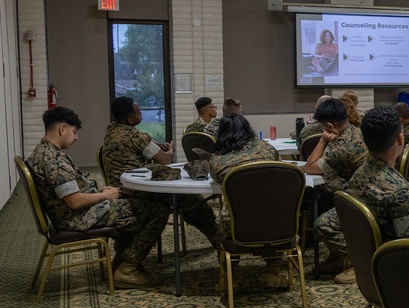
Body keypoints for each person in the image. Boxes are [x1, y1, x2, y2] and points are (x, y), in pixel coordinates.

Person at [27, 106, 168, 287]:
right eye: (74, 131)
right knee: (157, 211)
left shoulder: (41, 153)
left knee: (134, 204)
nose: (76, 137)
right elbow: (75, 201)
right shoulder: (54, 160)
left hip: (69, 214)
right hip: (78, 217)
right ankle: (128, 269)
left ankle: (121, 262)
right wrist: (105, 196)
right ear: (62, 129)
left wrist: (100, 192)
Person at [315, 106, 409, 283]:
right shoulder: (400, 192)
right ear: (400, 140)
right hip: (393, 272)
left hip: (370, 255)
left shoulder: (359, 173)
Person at [101, 96, 219, 249]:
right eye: (139, 112)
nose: (141, 113)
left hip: (119, 186)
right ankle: (217, 237)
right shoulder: (135, 136)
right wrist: (170, 150)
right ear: (130, 120)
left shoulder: (111, 131)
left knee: (185, 199)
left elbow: (144, 145)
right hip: (136, 190)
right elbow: (165, 160)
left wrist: (155, 145)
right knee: (190, 198)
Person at [209, 113, 285, 287]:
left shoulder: (219, 161)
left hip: (238, 222)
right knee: (267, 213)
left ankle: (229, 276)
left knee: (219, 224)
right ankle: (273, 270)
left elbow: (216, 179)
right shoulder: (268, 149)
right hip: (278, 220)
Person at [303, 98, 368, 193]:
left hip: (354, 195)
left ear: (330, 126)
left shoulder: (341, 148)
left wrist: (323, 139)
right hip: (366, 185)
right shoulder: (358, 132)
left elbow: (310, 168)